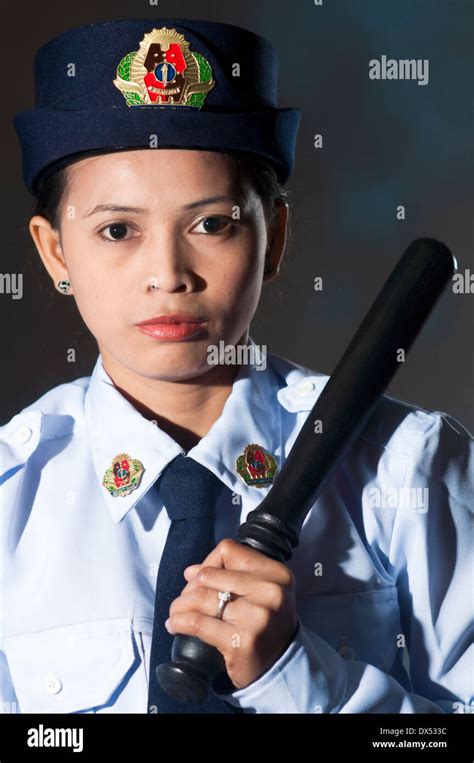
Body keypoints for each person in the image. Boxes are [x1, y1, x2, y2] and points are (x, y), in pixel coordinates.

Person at [1, 17, 472, 715]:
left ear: (273, 235)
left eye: (211, 224)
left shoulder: (409, 468)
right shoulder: (11, 498)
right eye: (117, 230)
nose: (167, 274)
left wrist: (293, 673)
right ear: (54, 254)